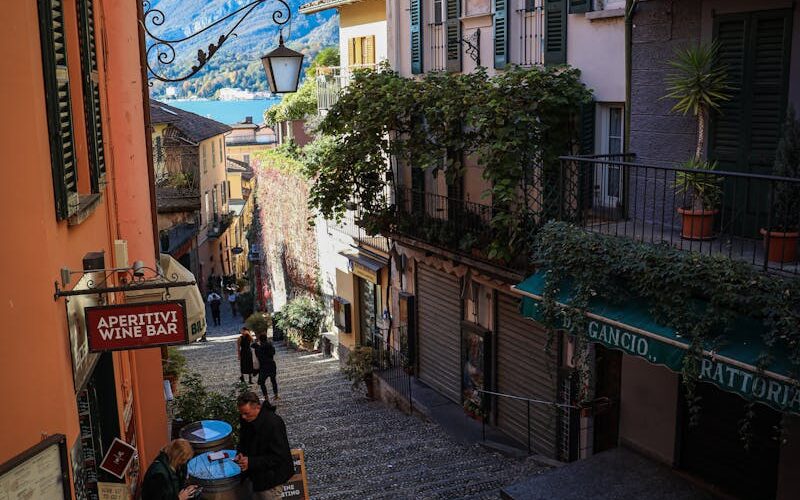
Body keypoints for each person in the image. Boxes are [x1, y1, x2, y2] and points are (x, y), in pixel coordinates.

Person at [234, 391, 293, 499]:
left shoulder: (273, 423)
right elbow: (243, 440)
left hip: (271, 480)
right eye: (241, 413)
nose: (243, 417)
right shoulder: (246, 419)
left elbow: (279, 456)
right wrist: (240, 453)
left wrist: (251, 462)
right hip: (256, 476)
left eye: (246, 413)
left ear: (257, 407)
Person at [253, 334, 279, 404]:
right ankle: (276, 395)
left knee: (262, 383)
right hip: (271, 365)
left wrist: (257, 344)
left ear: (260, 340)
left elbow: (253, 346)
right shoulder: (270, 346)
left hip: (263, 367)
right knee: (273, 380)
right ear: (266, 339)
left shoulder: (258, 348)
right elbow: (273, 353)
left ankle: (266, 397)